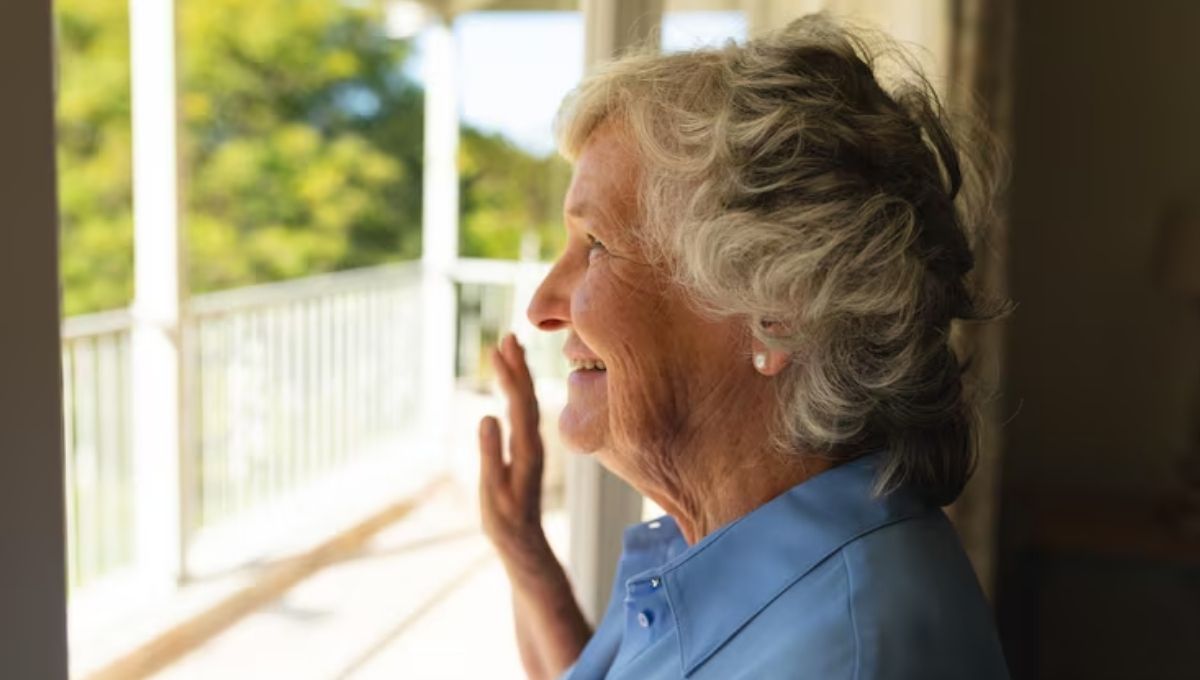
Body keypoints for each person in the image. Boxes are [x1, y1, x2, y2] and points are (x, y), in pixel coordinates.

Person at [477, 14, 1011, 680]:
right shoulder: (735, 546)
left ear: (779, 307)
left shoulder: (841, 657)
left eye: (597, 246)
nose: (541, 305)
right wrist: (526, 554)